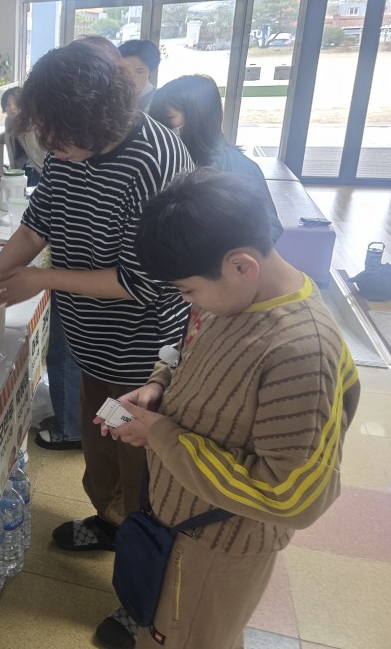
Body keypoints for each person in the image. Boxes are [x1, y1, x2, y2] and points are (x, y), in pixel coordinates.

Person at [0, 37, 192, 648]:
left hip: (142, 355)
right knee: (102, 445)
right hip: (95, 342)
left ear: (94, 116)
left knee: (146, 472)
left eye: (56, 134)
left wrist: (41, 279)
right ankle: (110, 520)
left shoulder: (155, 161)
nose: (49, 146)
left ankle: (143, 601)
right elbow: (39, 220)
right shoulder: (71, 145)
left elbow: (142, 282)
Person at [106, 168, 359, 648]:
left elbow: (293, 497)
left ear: (242, 265)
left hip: (218, 548)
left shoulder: (300, 351)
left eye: (188, 290)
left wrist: (159, 434)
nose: (189, 302)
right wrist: (159, 385)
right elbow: (189, 350)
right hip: (180, 525)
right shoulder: (232, 295)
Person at [149, 74, 283, 241]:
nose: (160, 128)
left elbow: (268, 230)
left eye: (168, 119)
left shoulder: (237, 169)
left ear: (198, 118)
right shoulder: (166, 159)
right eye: (156, 121)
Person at [117, 40, 160, 111]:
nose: (131, 78)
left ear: (152, 71)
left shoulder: (162, 100)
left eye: (139, 72)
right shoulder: (111, 97)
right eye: (125, 71)